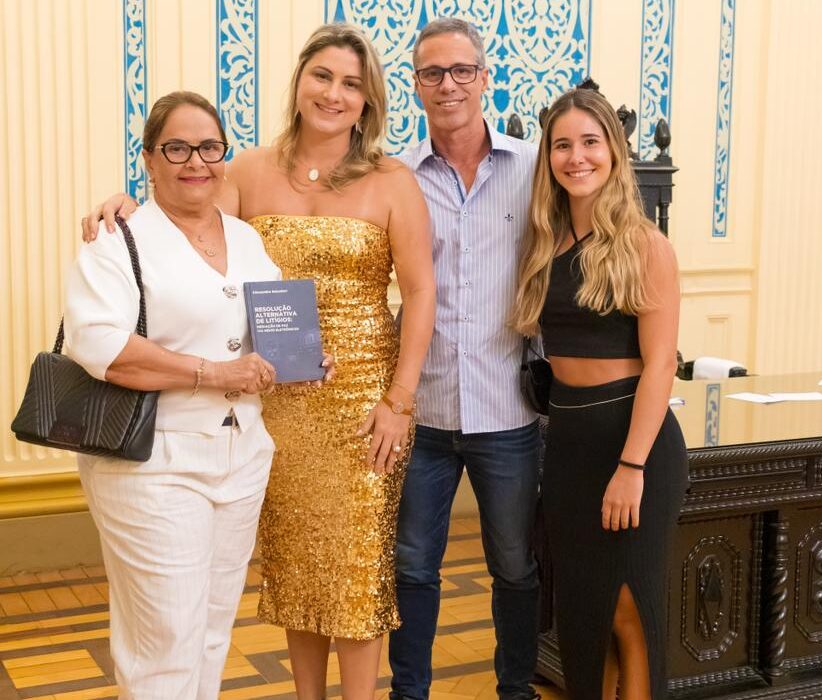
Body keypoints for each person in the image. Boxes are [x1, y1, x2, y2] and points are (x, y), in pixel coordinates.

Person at [81, 24, 436, 699]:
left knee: (358, 572)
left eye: (352, 84)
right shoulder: (245, 169)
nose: (334, 93)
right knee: (298, 568)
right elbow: (186, 231)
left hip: (365, 406)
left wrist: (399, 401)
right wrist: (126, 204)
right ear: (299, 81)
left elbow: (421, 294)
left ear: (369, 102)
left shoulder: (392, 181)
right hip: (268, 401)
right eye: (323, 76)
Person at [65, 90, 330, 699]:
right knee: (164, 637)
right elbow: (101, 347)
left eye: (210, 147)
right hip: (151, 462)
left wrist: (299, 360)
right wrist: (212, 374)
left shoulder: (245, 238)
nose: (196, 162)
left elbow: (262, 332)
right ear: (150, 159)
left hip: (241, 456)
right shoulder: (119, 238)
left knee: (212, 630)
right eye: (177, 147)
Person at [510, 83, 688, 700]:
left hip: (632, 444)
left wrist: (632, 466)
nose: (576, 156)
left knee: (628, 609)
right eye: (562, 145)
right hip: (568, 445)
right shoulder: (544, 244)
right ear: (548, 158)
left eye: (590, 142)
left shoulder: (644, 245)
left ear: (613, 151)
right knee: (583, 613)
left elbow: (661, 364)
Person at [390, 18, 542, 700]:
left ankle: (516, 689)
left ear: (484, 78)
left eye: (460, 71)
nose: (447, 85)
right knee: (413, 565)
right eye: (431, 73)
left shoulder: (536, 168)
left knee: (513, 566)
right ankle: (409, 692)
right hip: (419, 408)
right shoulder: (395, 178)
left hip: (508, 409)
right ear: (416, 86)